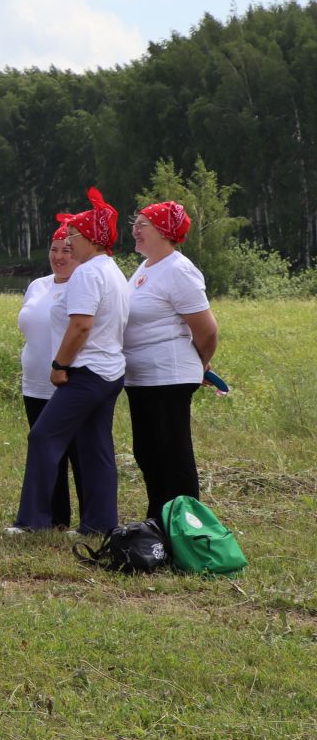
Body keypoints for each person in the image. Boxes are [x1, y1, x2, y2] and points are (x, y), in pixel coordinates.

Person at [11, 188, 130, 536]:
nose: (70, 242)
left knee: (44, 437)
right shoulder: (112, 271)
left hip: (86, 372)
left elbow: (81, 325)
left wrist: (60, 364)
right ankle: (99, 523)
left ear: (91, 238)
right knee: (96, 447)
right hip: (110, 371)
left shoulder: (88, 274)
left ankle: (33, 520)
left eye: (74, 236)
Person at [124, 200, 219, 519]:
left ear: (164, 231)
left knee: (173, 457)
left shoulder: (179, 269)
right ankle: (159, 522)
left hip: (170, 377)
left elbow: (207, 331)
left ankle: (186, 527)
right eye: (134, 224)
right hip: (142, 378)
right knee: (148, 454)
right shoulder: (148, 266)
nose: (135, 230)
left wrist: (201, 364)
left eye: (142, 225)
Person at [18, 227, 86, 529]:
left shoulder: (84, 285)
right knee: (46, 454)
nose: (58, 257)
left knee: (80, 454)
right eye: (54, 249)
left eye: (67, 250)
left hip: (68, 382)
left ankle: (91, 518)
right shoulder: (38, 285)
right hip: (34, 383)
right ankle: (55, 518)